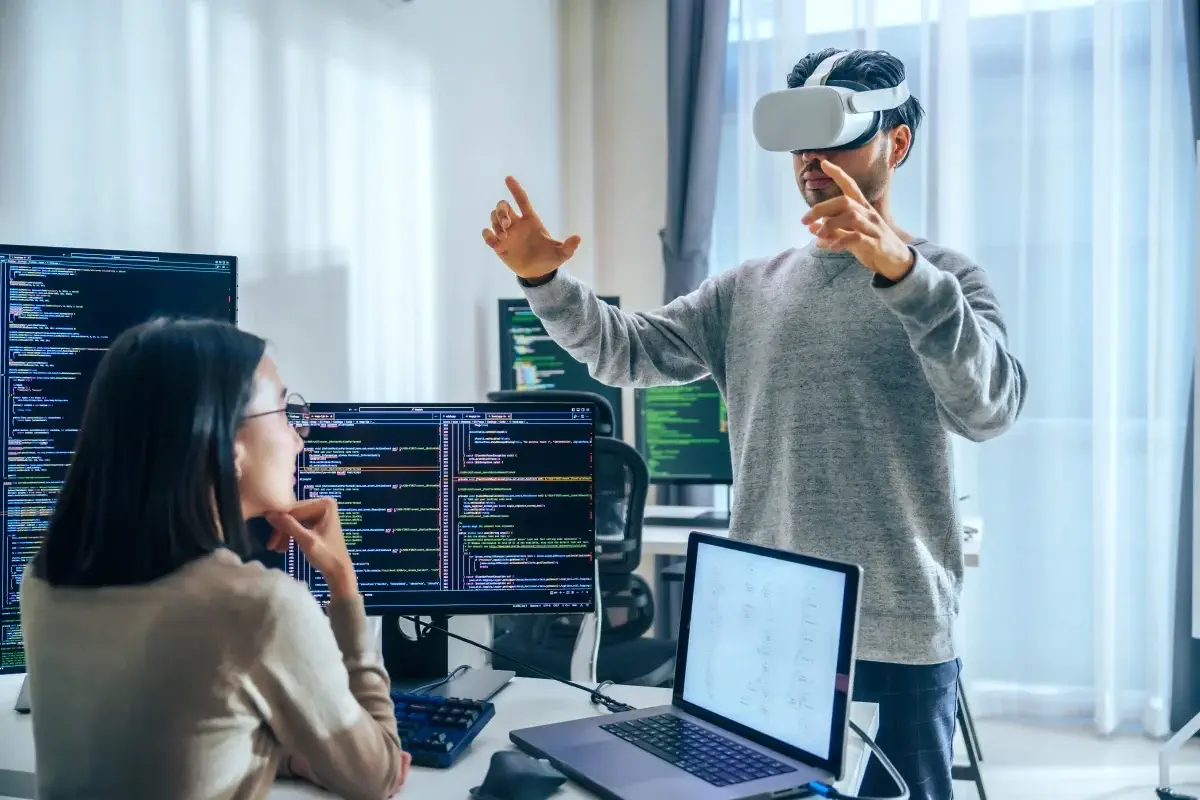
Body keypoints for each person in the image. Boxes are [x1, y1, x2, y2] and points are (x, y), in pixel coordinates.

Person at [481, 48, 1027, 799]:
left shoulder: (945, 279)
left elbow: (991, 407)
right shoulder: (748, 289)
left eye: (832, 133)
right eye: (799, 138)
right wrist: (542, 277)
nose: (810, 157)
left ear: (895, 144)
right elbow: (626, 352)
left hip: (897, 628)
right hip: (766, 633)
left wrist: (901, 273)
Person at [20, 318, 411, 800]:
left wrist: (282, 755)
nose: (298, 437)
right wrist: (344, 584)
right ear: (230, 444)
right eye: (286, 413)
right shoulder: (257, 607)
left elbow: (173, 745)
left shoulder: (44, 579)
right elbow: (377, 773)